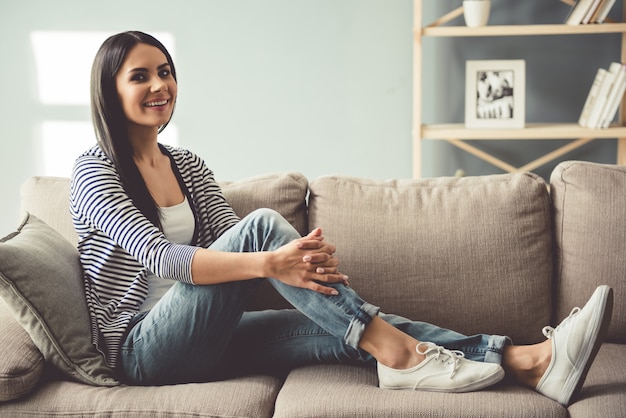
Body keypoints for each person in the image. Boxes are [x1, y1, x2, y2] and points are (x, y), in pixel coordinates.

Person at [70, 31, 613, 406]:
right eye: (140, 77)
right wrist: (275, 261)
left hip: (210, 334)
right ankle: (403, 355)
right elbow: (167, 257)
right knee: (263, 228)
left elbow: (221, 249)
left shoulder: (188, 165)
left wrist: (292, 266)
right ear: (110, 90)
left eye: (165, 72)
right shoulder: (94, 170)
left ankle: (529, 361)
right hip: (144, 352)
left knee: (349, 329)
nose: (159, 86)